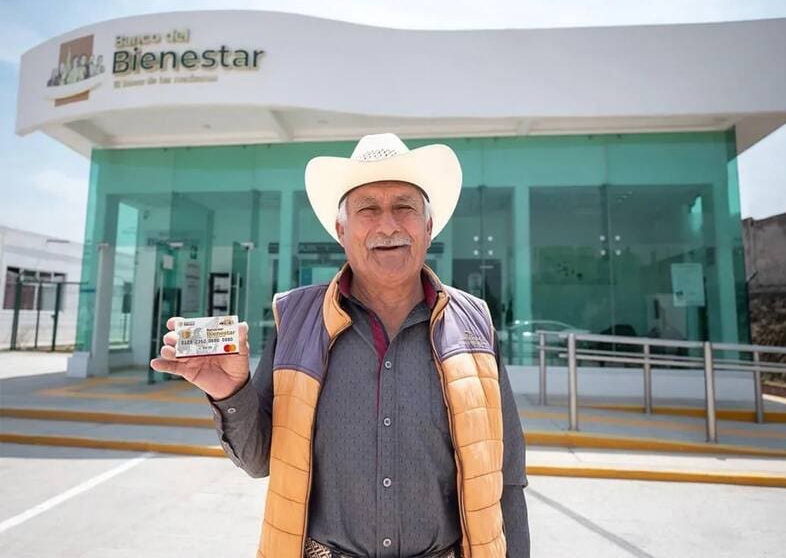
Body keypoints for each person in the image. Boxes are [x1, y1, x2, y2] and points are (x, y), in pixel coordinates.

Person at [153, 133, 531, 558]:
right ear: (341, 230)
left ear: (427, 227)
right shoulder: (296, 320)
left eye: (403, 206)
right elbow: (260, 461)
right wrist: (230, 392)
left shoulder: (474, 323)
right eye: (368, 208)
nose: (388, 224)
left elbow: (507, 476)